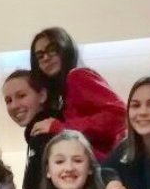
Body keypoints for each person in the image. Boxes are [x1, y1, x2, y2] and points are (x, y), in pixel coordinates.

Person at [29, 27, 127, 162]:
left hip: (103, 166)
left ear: (65, 48)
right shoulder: (61, 95)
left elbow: (119, 114)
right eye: (40, 56)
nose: (46, 58)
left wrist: (61, 127)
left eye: (52, 49)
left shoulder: (77, 76)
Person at [2, 68, 55, 189]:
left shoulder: (50, 136)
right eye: (8, 100)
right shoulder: (35, 138)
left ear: (42, 95)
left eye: (21, 96)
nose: (14, 105)